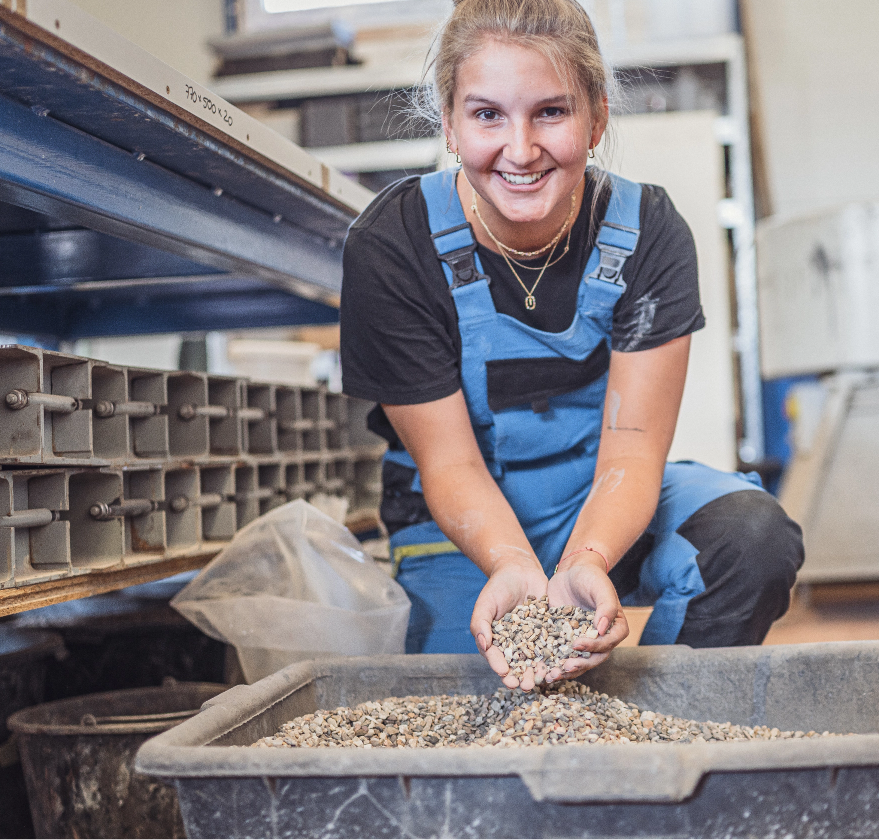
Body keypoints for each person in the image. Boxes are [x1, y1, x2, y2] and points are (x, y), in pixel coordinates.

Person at [340, 0, 803, 691]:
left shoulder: (647, 232)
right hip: (461, 523)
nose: (520, 150)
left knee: (752, 538)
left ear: (597, 117)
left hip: (604, 502)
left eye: (551, 112)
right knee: (476, 705)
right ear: (448, 121)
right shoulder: (394, 245)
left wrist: (587, 558)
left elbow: (632, 454)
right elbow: (450, 465)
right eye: (487, 114)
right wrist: (512, 566)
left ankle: (664, 731)